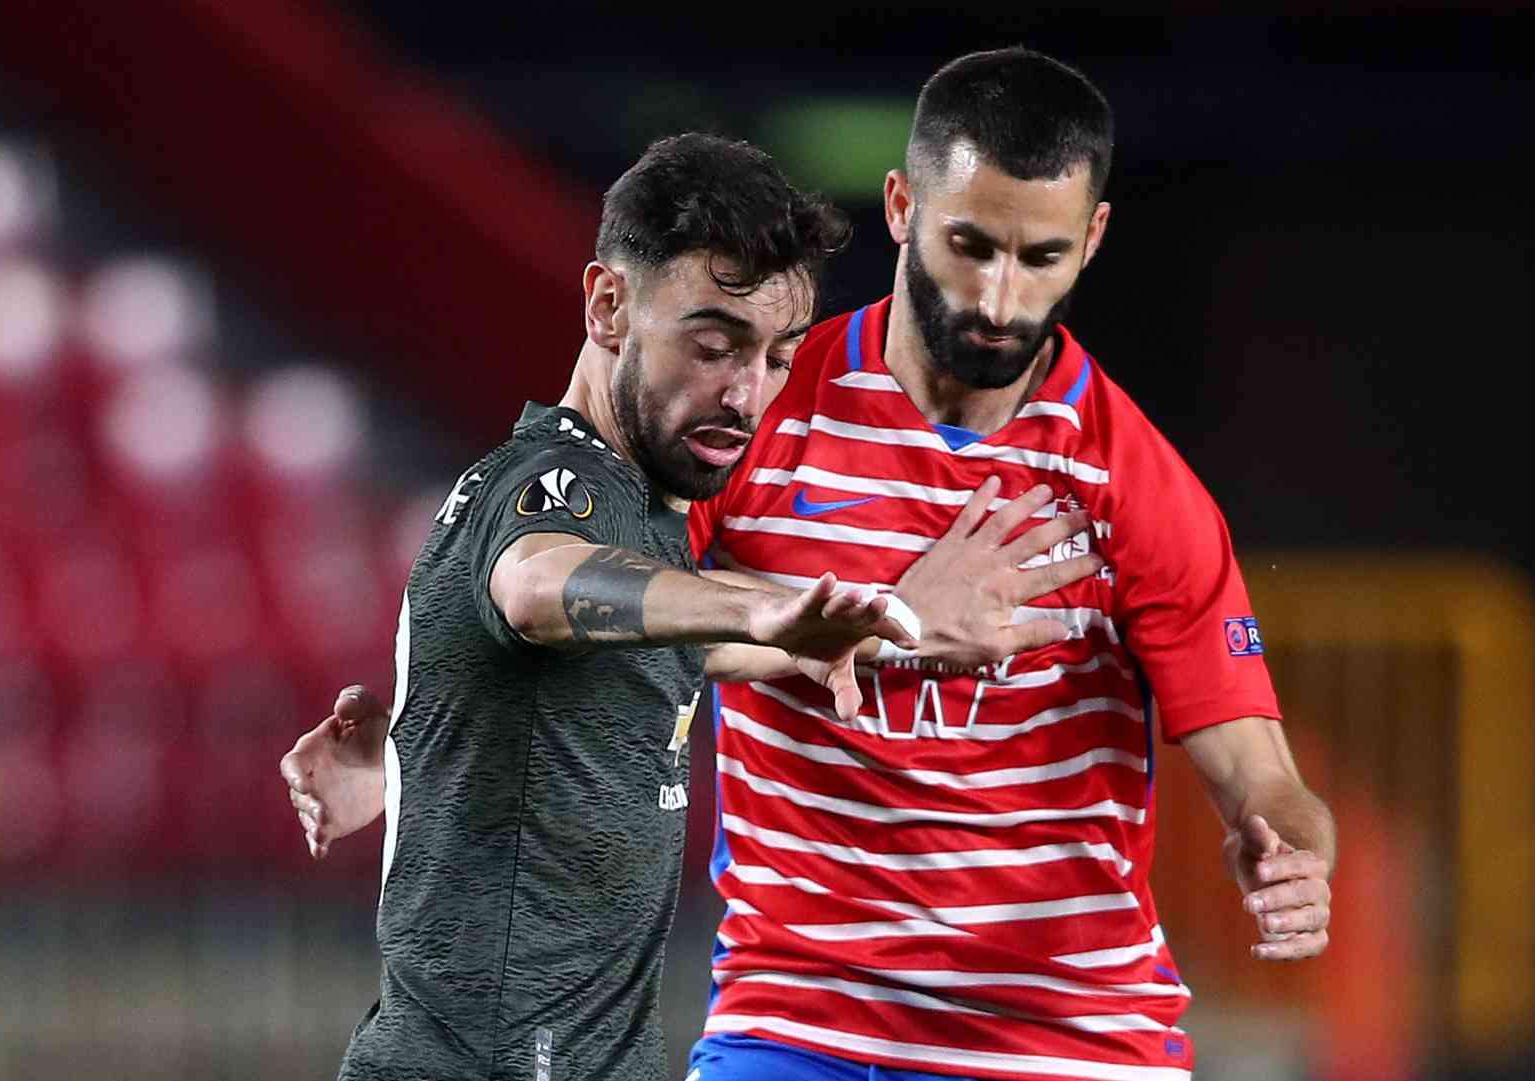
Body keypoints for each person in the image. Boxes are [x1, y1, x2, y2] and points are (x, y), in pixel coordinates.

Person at [293, 50, 1337, 1081]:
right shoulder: (750, 415)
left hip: (1067, 1038)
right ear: (901, 207)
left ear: (1093, 239)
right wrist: (411, 752)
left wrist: (1290, 849)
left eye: (1041, 257)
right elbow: (603, 609)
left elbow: (1266, 779)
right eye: (969, 245)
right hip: (793, 1027)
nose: (998, 296)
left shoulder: (1137, 486)